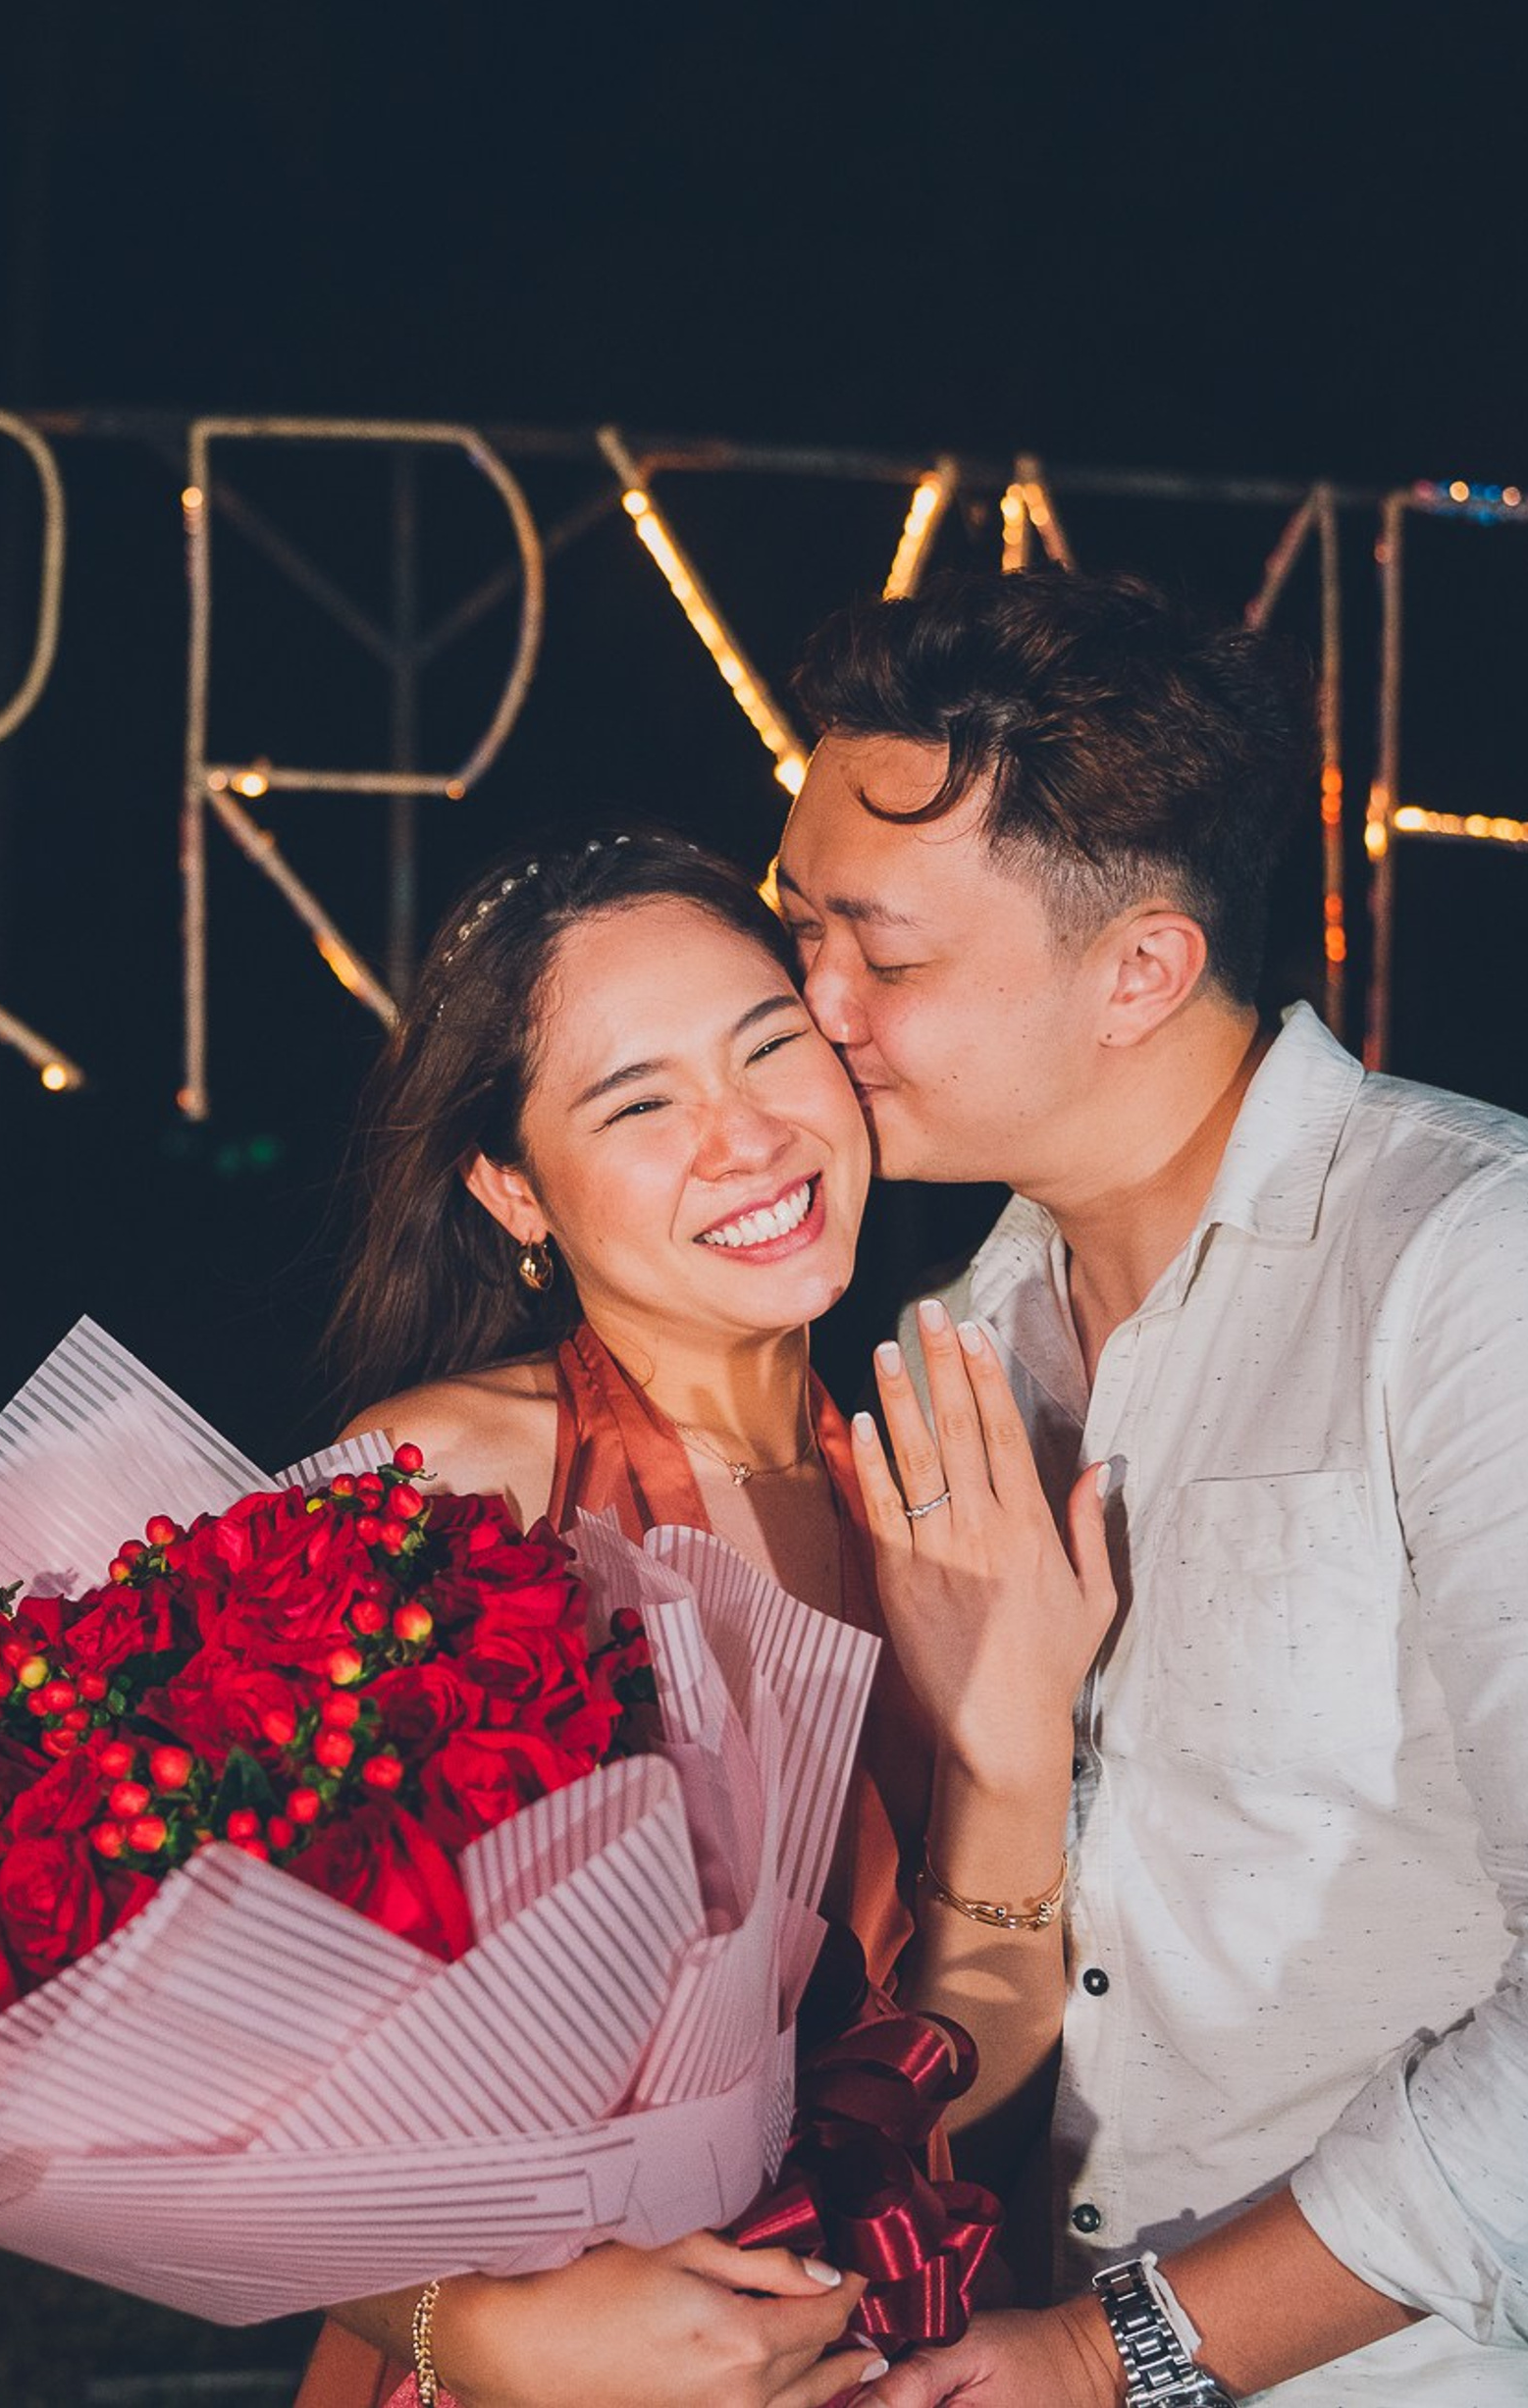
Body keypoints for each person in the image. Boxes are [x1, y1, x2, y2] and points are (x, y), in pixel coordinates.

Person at [773, 569, 1528, 2405]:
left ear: (1140, 970)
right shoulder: (958, 1339)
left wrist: (1132, 2355)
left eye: (885, 953)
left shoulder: (1461, 1273)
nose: (813, 1009)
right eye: (799, 934)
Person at [290, 827, 1115, 2408]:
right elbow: (185, 2072)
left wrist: (1012, 1767)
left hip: (887, 2350)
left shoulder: (938, 1476)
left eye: (771, 1048)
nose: (746, 1138)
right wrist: (475, 2326)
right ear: (509, 1184)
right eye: (641, 1101)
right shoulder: (435, 1488)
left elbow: (954, 2073)